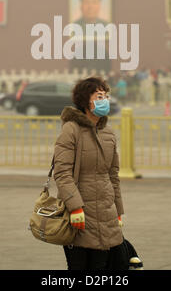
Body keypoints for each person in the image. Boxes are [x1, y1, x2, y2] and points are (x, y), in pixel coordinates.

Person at [53, 76, 124, 270]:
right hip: (79, 216)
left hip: (106, 214)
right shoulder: (71, 130)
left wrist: (118, 212)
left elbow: (113, 177)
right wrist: (75, 207)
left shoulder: (108, 133)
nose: (105, 100)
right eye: (99, 96)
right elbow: (62, 173)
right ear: (86, 101)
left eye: (106, 96)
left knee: (101, 270)